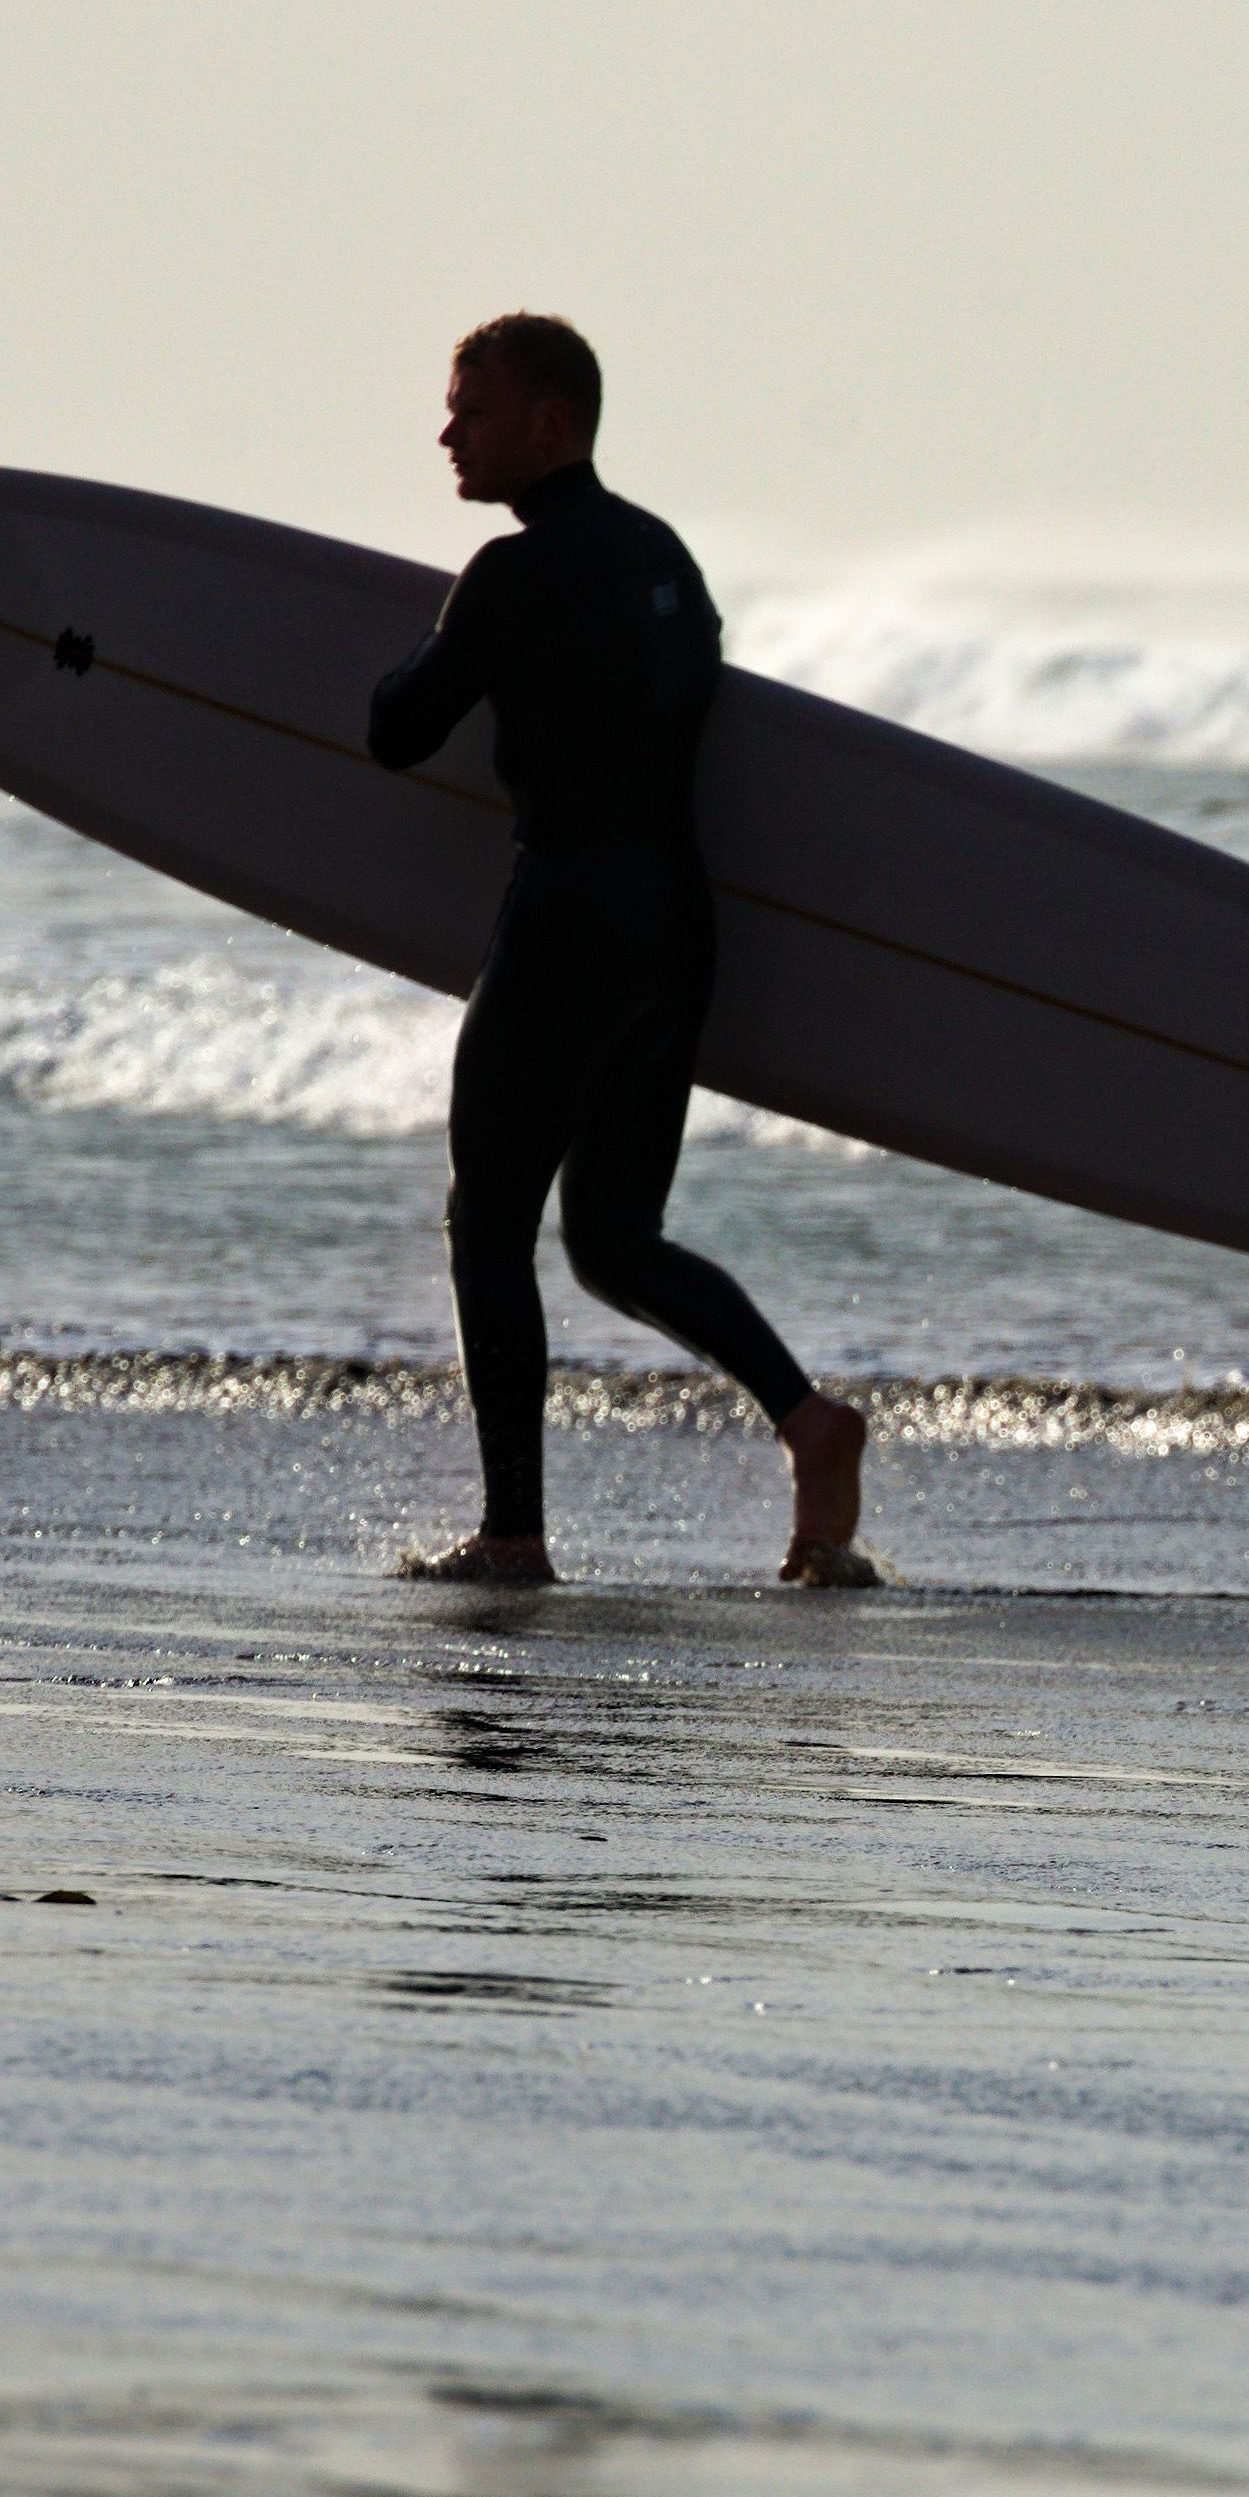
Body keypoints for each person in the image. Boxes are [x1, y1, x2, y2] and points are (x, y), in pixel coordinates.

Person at [363, 313, 873, 1592]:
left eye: (471, 411)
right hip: (674, 929)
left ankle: (514, 1539)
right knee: (611, 1238)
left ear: (551, 424)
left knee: (489, 1223)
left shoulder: (511, 573)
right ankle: (808, 1425)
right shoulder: (665, 560)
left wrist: (437, 631)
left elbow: (398, 730)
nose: (447, 433)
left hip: (567, 924)